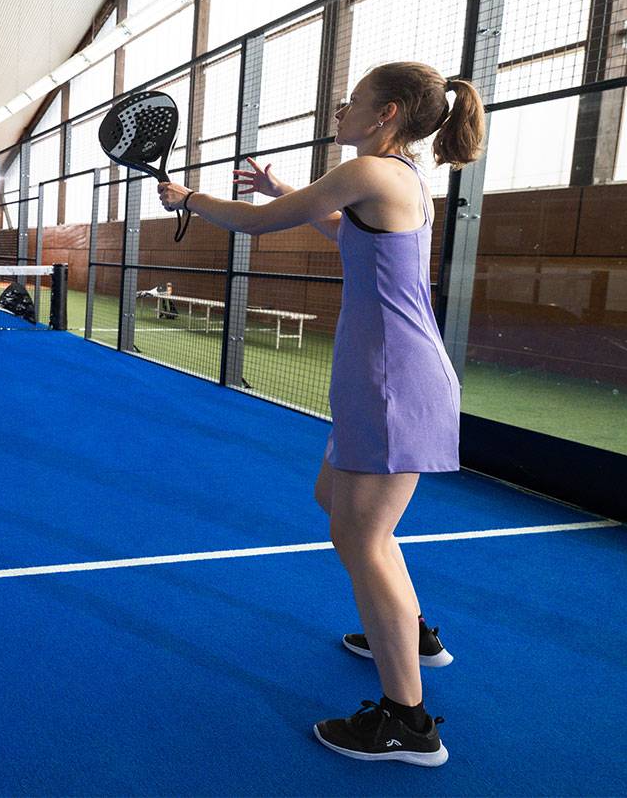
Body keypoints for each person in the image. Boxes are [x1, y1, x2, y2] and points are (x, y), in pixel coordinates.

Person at [157, 62, 485, 767]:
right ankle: (408, 632)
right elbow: (345, 233)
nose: (341, 109)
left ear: (386, 113)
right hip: (382, 377)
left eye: (353, 100)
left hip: (393, 382)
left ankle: (407, 723)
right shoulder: (396, 176)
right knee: (336, 503)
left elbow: (256, 224)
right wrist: (285, 189)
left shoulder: (370, 171)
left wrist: (190, 198)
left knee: (362, 537)